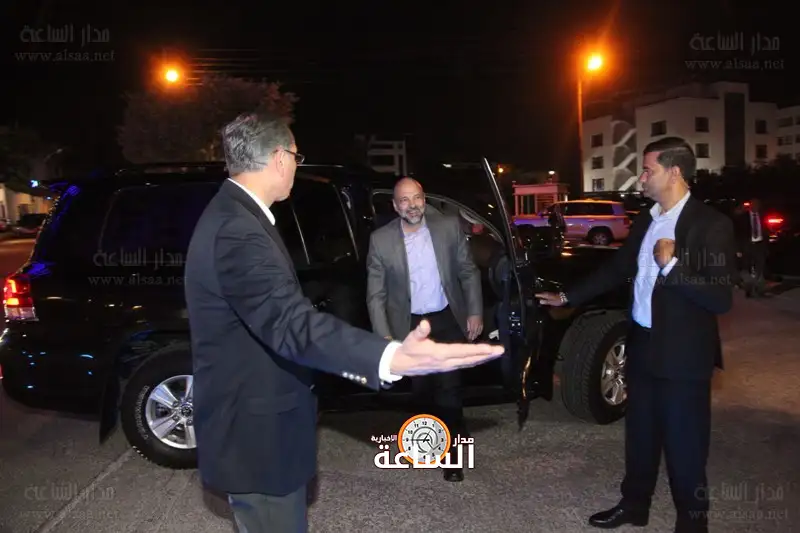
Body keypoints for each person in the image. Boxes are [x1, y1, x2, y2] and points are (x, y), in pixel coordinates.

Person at [183, 110, 503, 533]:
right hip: (257, 439)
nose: (296, 166)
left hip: (256, 428)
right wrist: (387, 356)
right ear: (279, 158)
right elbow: (289, 323)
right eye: (296, 157)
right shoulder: (237, 229)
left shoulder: (237, 215)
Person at [536, 137, 736, 533]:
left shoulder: (711, 224)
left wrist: (672, 266)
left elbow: (720, 298)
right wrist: (568, 296)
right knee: (640, 436)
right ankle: (634, 506)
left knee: (685, 447)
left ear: (674, 172)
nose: (641, 178)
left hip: (683, 356)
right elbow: (617, 269)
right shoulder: (647, 219)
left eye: (648, 170)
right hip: (641, 343)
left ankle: (693, 524)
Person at [366, 177, 483, 483]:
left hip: (446, 319)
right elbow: (376, 295)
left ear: (424, 198)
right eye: (404, 200)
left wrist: (474, 311)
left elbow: (468, 271)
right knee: (422, 392)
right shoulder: (381, 240)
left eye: (417, 198)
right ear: (395, 206)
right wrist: (385, 337)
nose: (413, 205)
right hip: (410, 327)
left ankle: (452, 456)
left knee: (449, 389)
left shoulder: (447, 228)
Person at [734, 198, 768, 297]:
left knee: (760, 265)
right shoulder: (743, 218)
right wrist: (738, 248)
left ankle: (759, 287)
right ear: (750, 206)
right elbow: (738, 233)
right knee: (746, 266)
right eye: (754, 205)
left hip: (759, 244)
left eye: (757, 205)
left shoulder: (762, 216)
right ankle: (749, 286)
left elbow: (766, 231)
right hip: (747, 245)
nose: (756, 207)